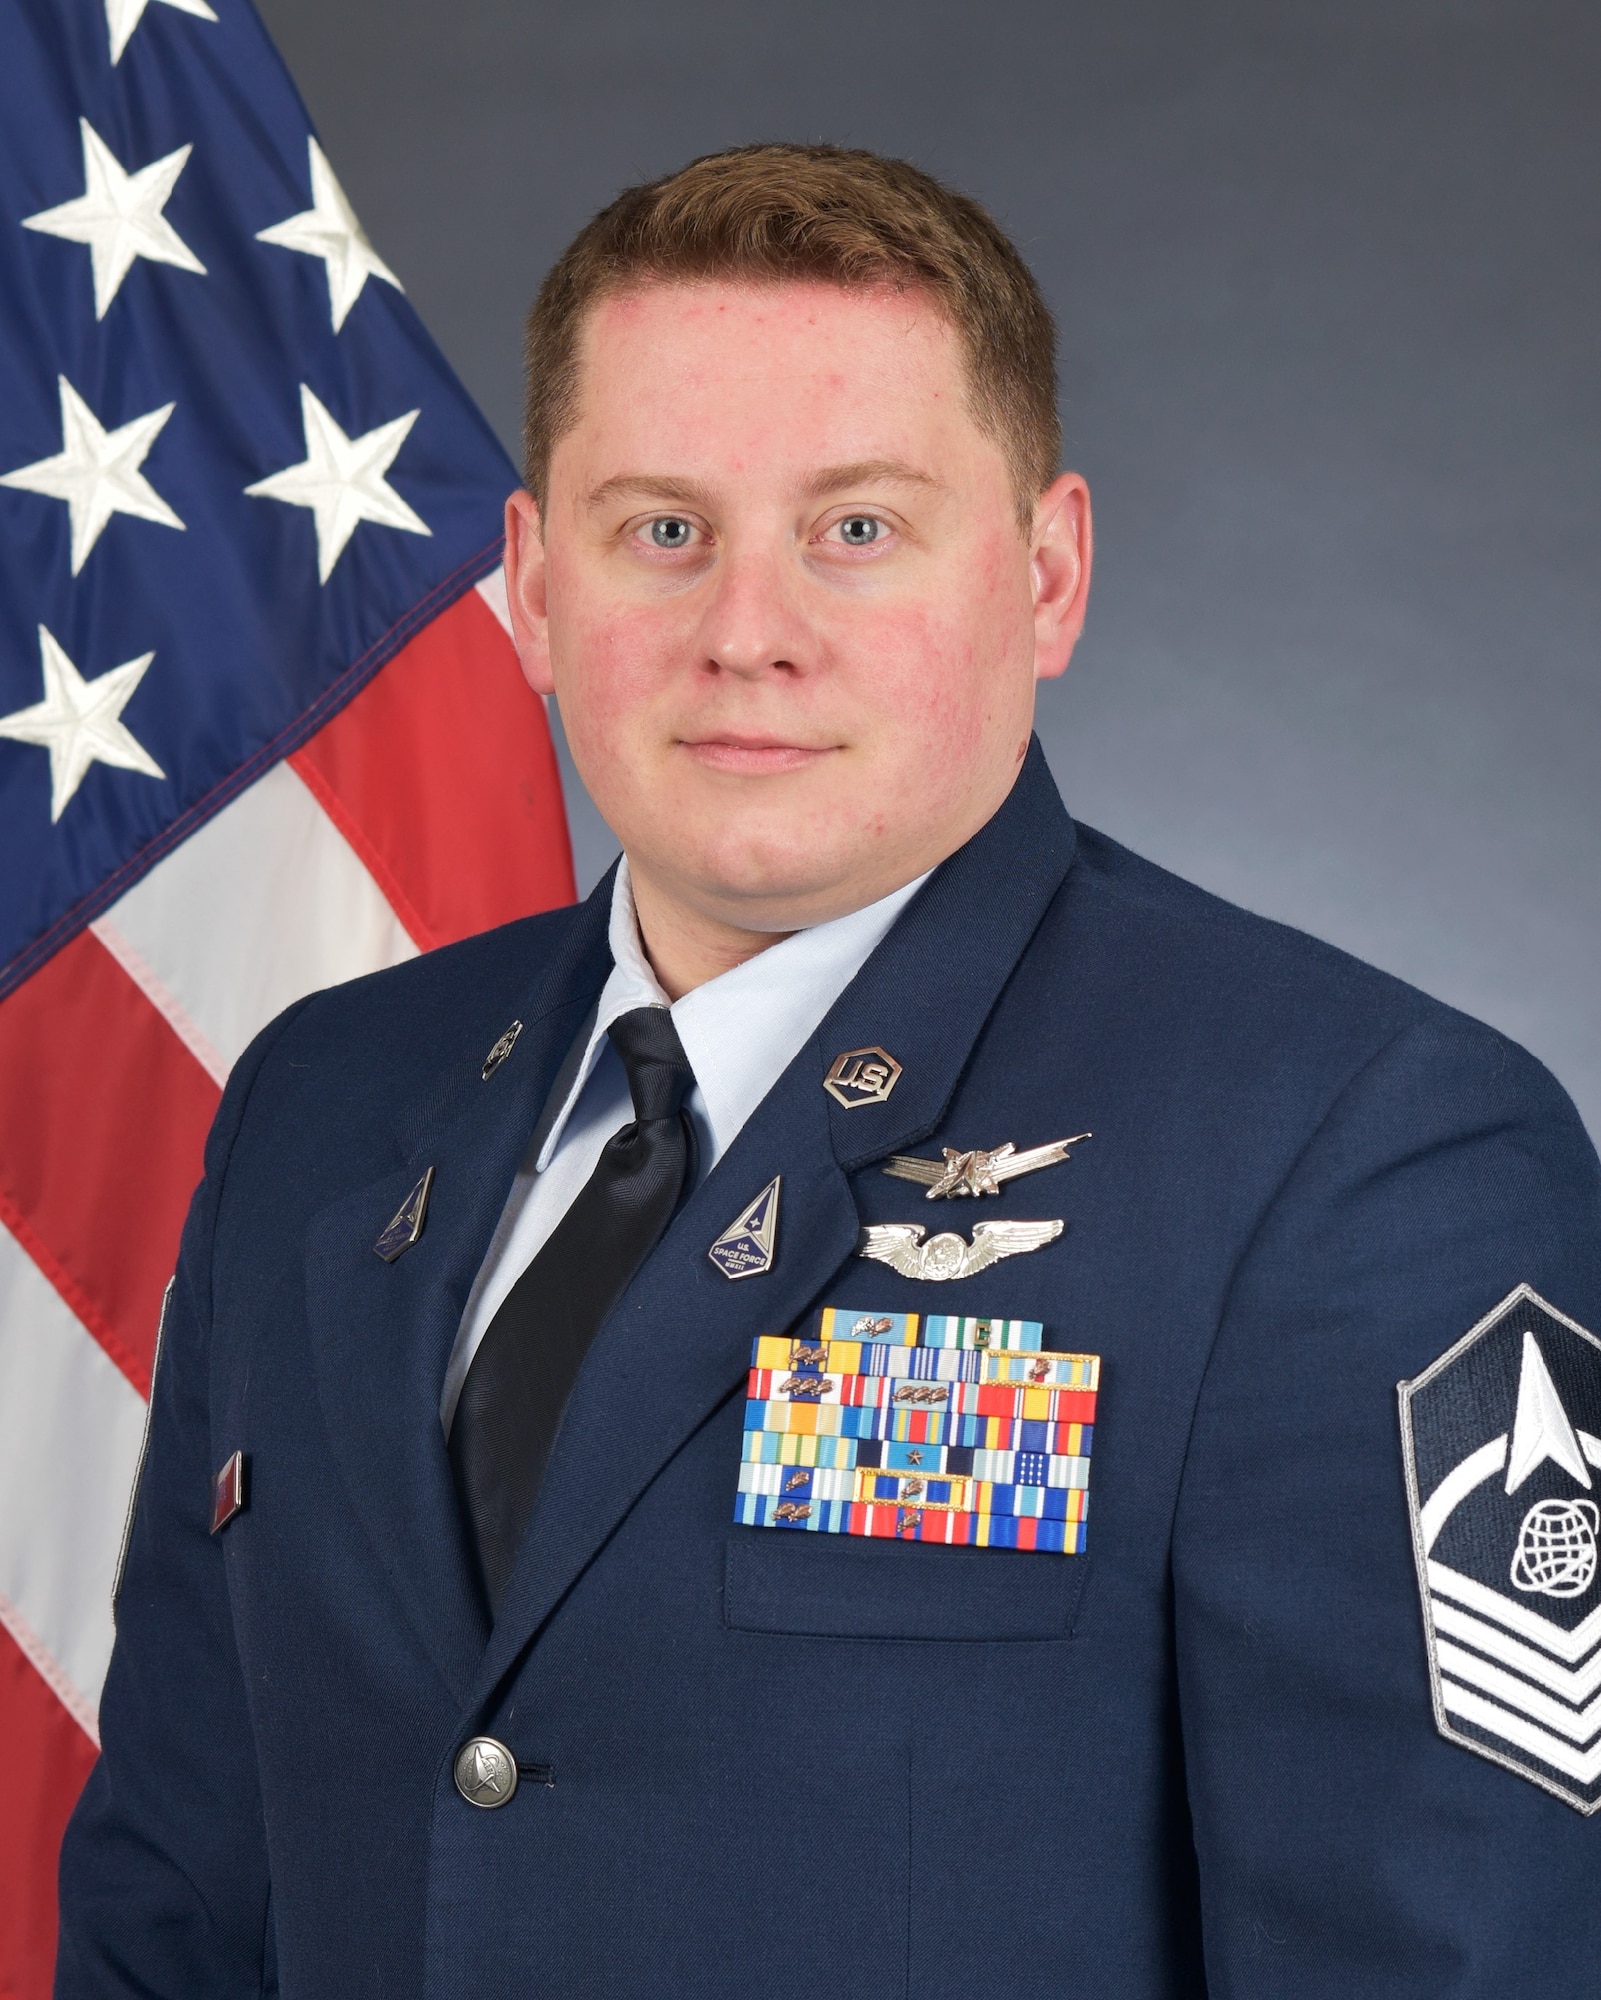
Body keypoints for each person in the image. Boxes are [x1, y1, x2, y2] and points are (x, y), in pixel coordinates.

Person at [57, 144, 1601, 2000]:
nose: (747, 630)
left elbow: (1445, 1960)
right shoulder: (323, 1106)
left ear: (1045, 578)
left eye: (855, 528)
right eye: (660, 530)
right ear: (534, 591)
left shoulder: (1357, 1159)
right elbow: (172, 1908)